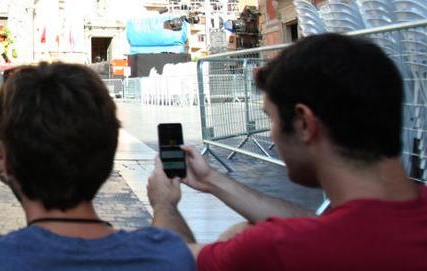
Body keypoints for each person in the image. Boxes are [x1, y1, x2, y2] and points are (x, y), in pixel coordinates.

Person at [147, 33, 427, 271]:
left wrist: (164, 203)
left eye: (271, 119)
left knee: (241, 231)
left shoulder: (283, 247)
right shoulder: (381, 224)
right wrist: (211, 180)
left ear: (304, 124)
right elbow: (321, 223)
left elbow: (175, 261)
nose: (271, 134)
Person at [0, 62, 194, 270]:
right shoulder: (167, 258)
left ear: (7, 160)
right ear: (109, 151)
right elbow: (181, 249)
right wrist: (165, 205)